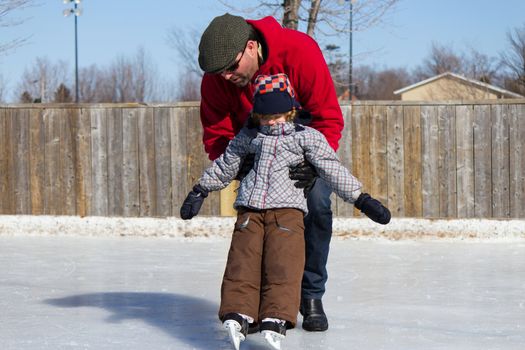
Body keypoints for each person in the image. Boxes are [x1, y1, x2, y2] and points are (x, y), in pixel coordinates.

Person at [181, 73, 390, 350]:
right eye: (265, 116)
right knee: (242, 263)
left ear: (291, 111)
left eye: (278, 115)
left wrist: (361, 199)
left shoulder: (308, 138)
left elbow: (332, 169)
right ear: (257, 113)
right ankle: (239, 313)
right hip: (250, 211)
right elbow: (225, 165)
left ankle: (276, 316)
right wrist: (200, 190)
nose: (271, 122)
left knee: (283, 265)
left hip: (287, 214)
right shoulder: (248, 137)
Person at [197, 12, 346, 332]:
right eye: (219, 72)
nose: (225, 77)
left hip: (304, 149)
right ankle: (255, 304)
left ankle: (310, 296)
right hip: (254, 153)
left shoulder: (299, 51)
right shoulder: (217, 78)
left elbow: (327, 117)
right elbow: (215, 132)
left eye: (231, 68)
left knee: (317, 205)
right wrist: (238, 164)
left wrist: (312, 164)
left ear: (251, 47)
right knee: (254, 224)